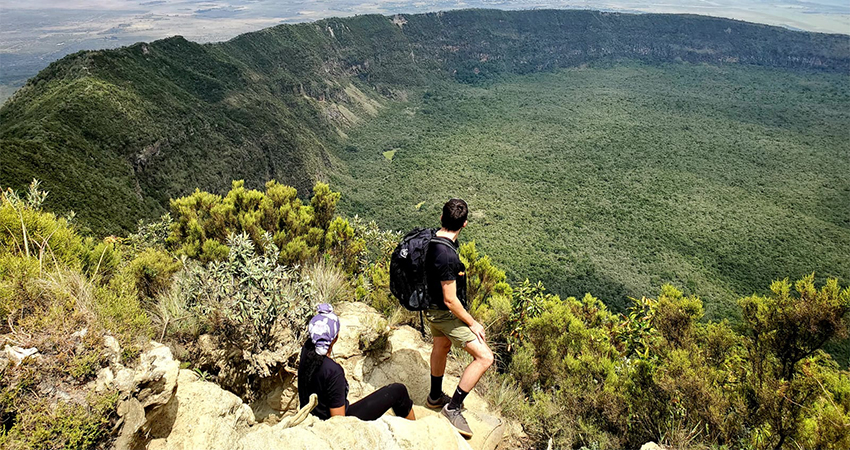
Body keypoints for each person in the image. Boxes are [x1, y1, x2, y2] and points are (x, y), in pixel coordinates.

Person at [424, 198, 494, 438]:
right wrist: (472, 323)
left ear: (442, 219)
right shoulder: (447, 256)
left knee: (441, 345)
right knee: (485, 357)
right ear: (464, 224)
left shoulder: (432, 239)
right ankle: (452, 408)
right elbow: (451, 300)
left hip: (430, 309)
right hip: (443, 313)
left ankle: (434, 396)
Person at [298, 303, 416, 421]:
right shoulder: (333, 371)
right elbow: (339, 421)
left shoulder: (306, 350)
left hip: (312, 416)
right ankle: (415, 430)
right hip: (333, 424)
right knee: (398, 391)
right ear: (336, 337)